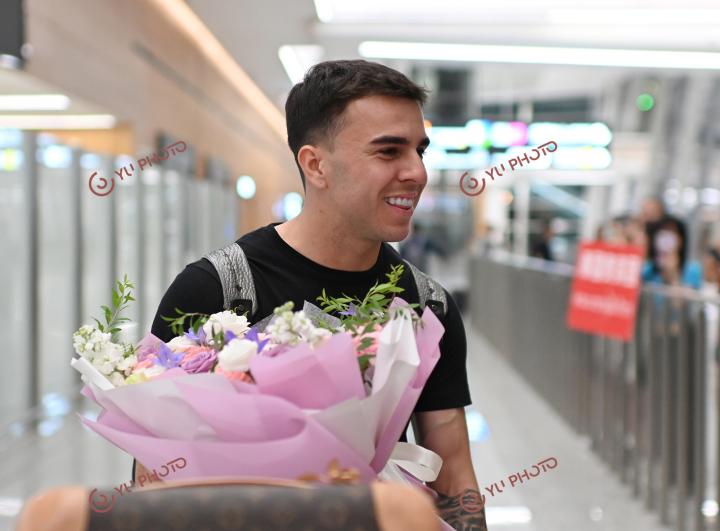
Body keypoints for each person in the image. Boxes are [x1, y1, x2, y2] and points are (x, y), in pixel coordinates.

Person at [136, 60, 486, 530]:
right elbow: (152, 478)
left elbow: (454, 472)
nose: (417, 172)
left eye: (419, 151)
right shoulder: (217, 288)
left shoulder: (427, 307)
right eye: (388, 151)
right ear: (315, 164)